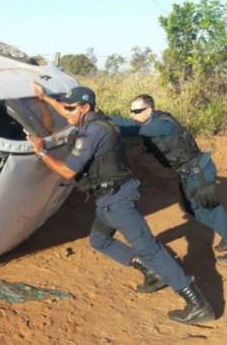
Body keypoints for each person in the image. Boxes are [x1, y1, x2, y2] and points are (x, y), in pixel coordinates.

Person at [28, 84, 214, 324]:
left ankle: (197, 303)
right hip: (110, 199)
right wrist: (45, 97)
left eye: (71, 108)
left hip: (117, 203)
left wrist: (41, 152)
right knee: (99, 240)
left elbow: (66, 171)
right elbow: (66, 112)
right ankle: (151, 272)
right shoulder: (95, 119)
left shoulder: (92, 133)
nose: (67, 113)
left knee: (151, 249)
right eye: (67, 107)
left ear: (84, 108)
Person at [108, 94, 227, 265]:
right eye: (131, 111)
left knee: (210, 208)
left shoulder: (163, 124)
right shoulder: (149, 121)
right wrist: (105, 117)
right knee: (192, 209)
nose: (133, 115)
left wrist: (110, 127)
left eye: (137, 111)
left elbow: (134, 130)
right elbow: (130, 123)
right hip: (189, 173)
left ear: (150, 109)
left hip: (198, 171)